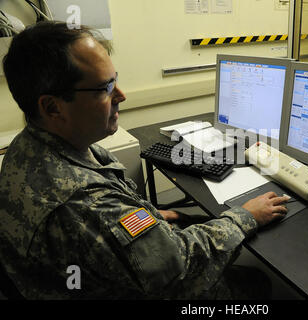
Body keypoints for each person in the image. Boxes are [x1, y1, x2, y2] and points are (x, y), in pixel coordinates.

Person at [0, 21, 289, 299]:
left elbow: (109, 223)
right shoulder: (85, 204)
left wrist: (151, 218)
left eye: (116, 81)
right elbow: (180, 269)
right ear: (52, 107)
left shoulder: (27, 146)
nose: (122, 96)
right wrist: (243, 219)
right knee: (257, 282)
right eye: (106, 88)